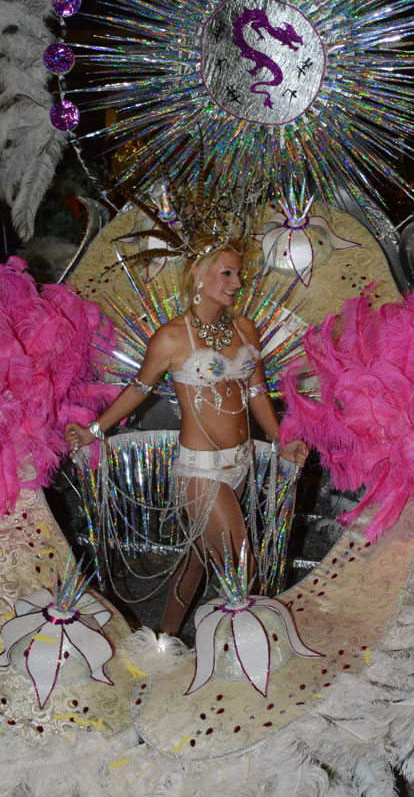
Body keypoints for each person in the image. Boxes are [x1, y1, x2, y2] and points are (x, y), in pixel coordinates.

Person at [66, 244, 309, 634]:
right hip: (201, 470)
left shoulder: (245, 328)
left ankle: (163, 639)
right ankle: (237, 657)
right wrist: (94, 431)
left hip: (240, 463)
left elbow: (257, 393)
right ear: (200, 274)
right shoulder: (173, 337)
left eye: (239, 274)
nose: (237, 282)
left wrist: (281, 442)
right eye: (227, 273)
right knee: (240, 566)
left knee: (196, 558)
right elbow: (138, 388)